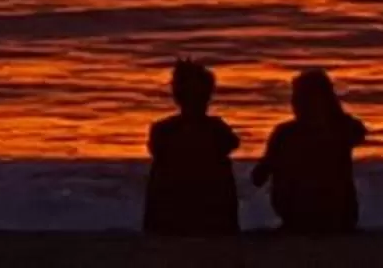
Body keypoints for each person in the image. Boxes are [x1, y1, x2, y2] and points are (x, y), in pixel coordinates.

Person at [251, 67, 369, 234]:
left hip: (336, 217)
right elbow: (258, 176)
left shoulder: (341, 129)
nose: (296, 103)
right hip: (298, 216)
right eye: (296, 97)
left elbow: (357, 133)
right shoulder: (286, 133)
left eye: (302, 98)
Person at [142, 58, 241, 235]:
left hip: (181, 213)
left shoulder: (164, 129)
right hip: (195, 212)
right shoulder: (213, 128)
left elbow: (232, 144)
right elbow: (232, 144)